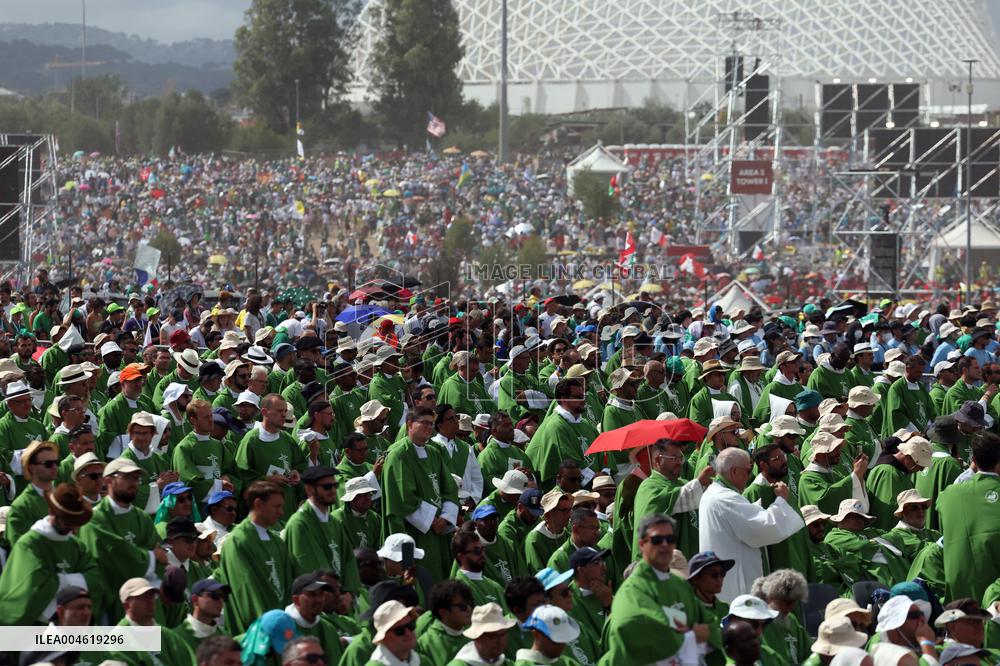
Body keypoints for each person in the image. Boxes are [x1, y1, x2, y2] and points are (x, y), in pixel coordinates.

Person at [602, 513, 715, 664]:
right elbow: (631, 624)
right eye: (657, 540)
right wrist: (690, 635)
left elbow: (707, 623)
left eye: (670, 540)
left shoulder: (679, 584)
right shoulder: (631, 590)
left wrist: (680, 624)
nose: (665, 545)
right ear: (642, 544)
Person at [698, 448, 804, 602]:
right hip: (736, 579)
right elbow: (762, 528)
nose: (750, 476)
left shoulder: (715, 493)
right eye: (748, 471)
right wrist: (781, 501)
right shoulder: (725, 497)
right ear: (734, 471)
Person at [0, 483, 102, 625]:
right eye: (67, 523)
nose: (73, 530)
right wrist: (73, 581)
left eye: (75, 523)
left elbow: (95, 576)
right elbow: (30, 585)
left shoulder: (76, 546)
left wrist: (61, 582)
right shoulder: (29, 544)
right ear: (52, 512)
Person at [382, 407, 461, 581]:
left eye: (431, 424)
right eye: (424, 423)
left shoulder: (434, 452)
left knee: (441, 576)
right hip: (414, 530)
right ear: (409, 424)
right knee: (419, 578)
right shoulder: (399, 455)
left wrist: (446, 518)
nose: (429, 427)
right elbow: (403, 498)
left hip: (439, 529)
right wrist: (433, 521)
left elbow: (449, 487)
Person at [216, 481, 294, 635]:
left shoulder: (277, 541)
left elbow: (288, 582)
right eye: (276, 507)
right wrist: (268, 625)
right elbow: (245, 588)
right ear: (258, 504)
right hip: (257, 631)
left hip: (282, 625)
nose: (281, 512)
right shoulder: (238, 541)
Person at [938, 433, 1000, 602]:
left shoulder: (948, 495)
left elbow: (941, 502)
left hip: (958, 601)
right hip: (994, 601)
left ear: (973, 460)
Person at [632, 436, 713, 558]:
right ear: (658, 460)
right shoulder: (648, 487)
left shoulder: (683, 483)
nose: (680, 462)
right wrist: (698, 483)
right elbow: (672, 503)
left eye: (681, 458)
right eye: (674, 458)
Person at [283, 465, 360, 594]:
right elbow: (308, 567)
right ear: (309, 489)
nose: (333, 490)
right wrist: (333, 594)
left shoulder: (334, 522)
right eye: (327, 487)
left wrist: (349, 593)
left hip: (339, 596)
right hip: (318, 600)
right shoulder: (299, 523)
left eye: (335, 485)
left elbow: (348, 560)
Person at [234, 394, 305, 524]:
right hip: (263, 511)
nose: (284, 415)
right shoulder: (251, 440)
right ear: (265, 412)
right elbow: (241, 476)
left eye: (285, 411)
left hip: (288, 506)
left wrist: (296, 472)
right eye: (279, 411)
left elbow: (300, 464)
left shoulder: (287, 439)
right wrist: (266, 480)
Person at [106, 577, 194, 665]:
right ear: (127, 605)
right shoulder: (116, 639)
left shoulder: (170, 637)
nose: (150, 601)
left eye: (152, 596)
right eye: (142, 597)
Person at [866, 436, 932, 531]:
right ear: (908, 457)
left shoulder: (897, 471)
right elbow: (886, 513)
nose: (921, 469)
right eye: (920, 465)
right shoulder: (888, 473)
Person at [283, 573, 343, 664]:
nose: (319, 600)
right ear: (296, 599)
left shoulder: (328, 629)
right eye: (311, 594)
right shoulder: (280, 627)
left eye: (321, 594)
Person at [417, 580, 474, 664]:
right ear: (443, 612)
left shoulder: (475, 635)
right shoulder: (425, 644)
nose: (469, 609)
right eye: (462, 606)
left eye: (470, 604)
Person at [872, 595, 938, 663]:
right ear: (894, 629)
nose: (922, 619)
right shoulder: (891, 657)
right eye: (914, 615)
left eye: (921, 614)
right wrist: (927, 643)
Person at [174, 578, 231, 655]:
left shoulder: (225, 636)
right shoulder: (176, 638)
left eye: (224, 597)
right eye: (215, 595)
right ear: (195, 599)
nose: (221, 601)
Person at [447, 602, 516, 666]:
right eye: (493, 636)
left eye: (503, 634)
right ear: (477, 637)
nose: (500, 641)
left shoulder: (506, 663)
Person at [516, 604, 580, 666]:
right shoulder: (523, 664)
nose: (561, 645)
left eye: (563, 638)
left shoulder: (568, 662)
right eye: (555, 639)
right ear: (536, 634)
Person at [368, 599, 420, 665]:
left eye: (410, 625)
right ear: (384, 637)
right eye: (399, 630)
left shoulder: (422, 661)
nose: (408, 633)